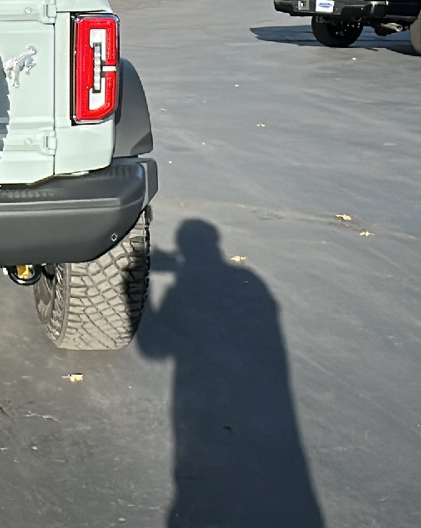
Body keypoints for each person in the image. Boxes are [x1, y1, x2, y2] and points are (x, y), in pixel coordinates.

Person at [137, 220, 325, 528]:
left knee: (202, 491)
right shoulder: (248, 282)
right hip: (266, 417)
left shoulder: (182, 293)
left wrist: (136, 285)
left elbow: (153, 349)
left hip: (201, 419)